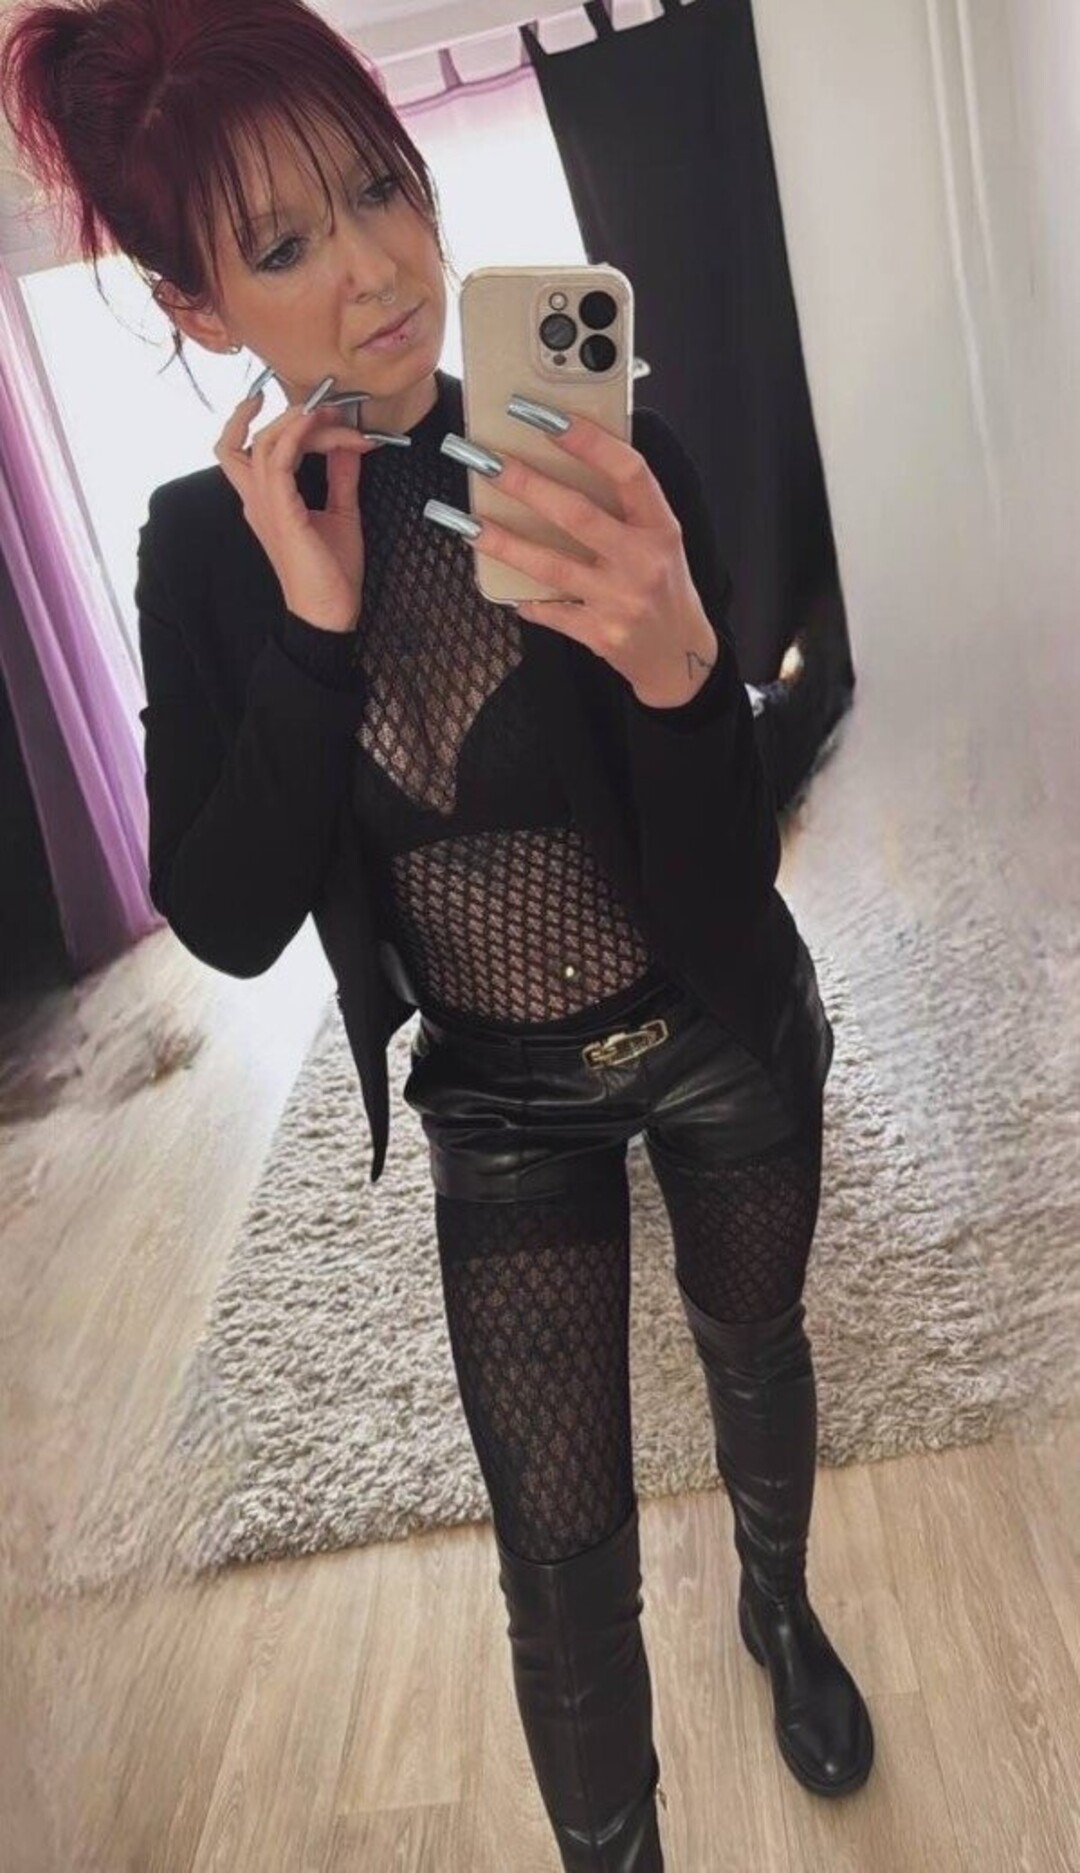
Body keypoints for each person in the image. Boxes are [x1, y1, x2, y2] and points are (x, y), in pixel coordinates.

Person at [0, 0, 874, 1863]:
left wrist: (682, 674)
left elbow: (729, 883)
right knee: (556, 1555)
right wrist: (315, 634)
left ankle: (782, 1607)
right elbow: (226, 920)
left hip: (718, 1030)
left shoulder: (606, 462)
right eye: (286, 242)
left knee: (757, 1352)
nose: (382, 266)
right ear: (198, 308)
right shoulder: (203, 556)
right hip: (502, 1097)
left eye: (381, 188)